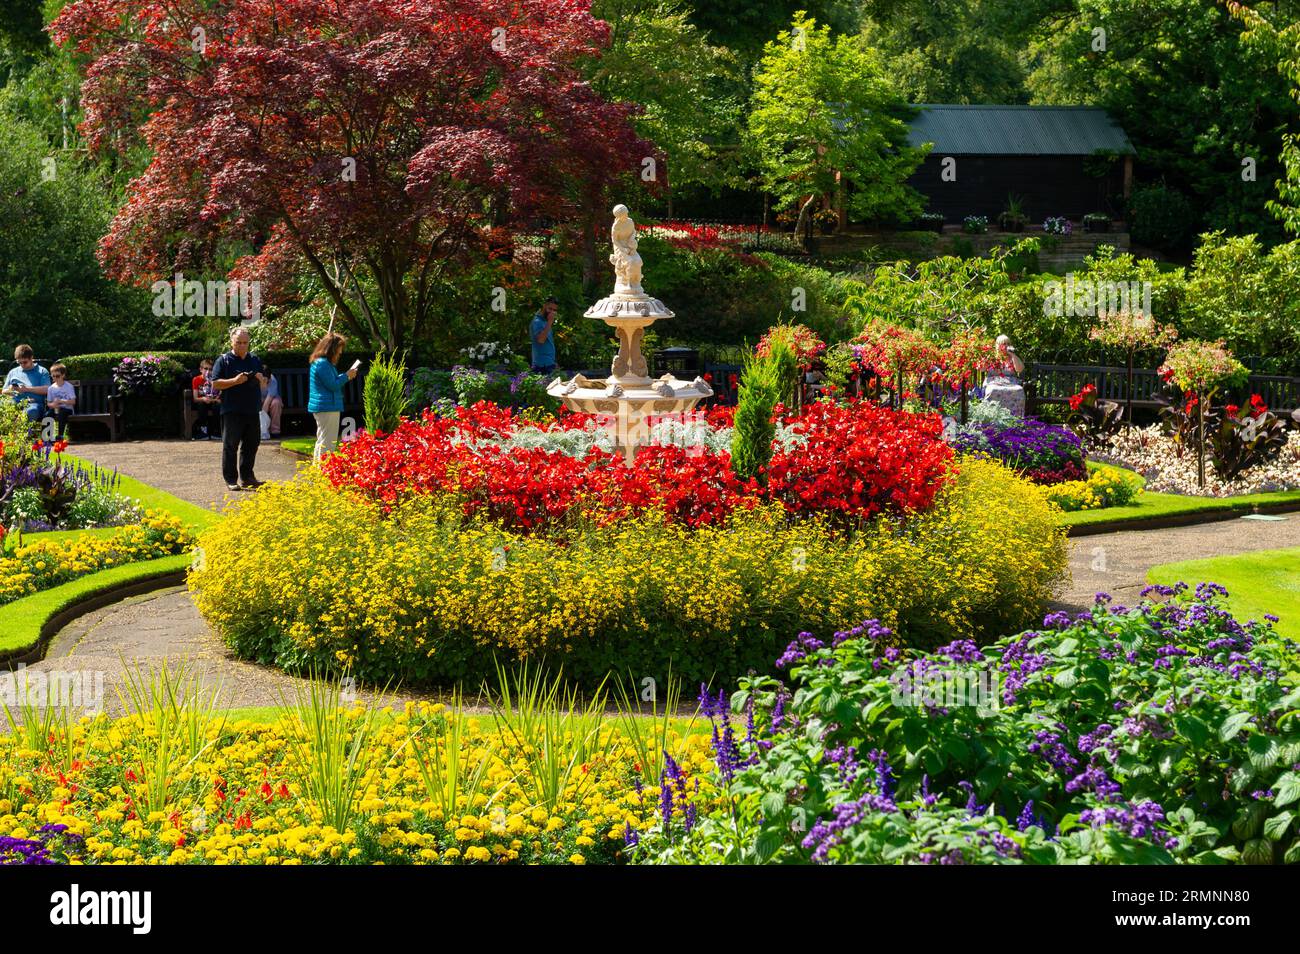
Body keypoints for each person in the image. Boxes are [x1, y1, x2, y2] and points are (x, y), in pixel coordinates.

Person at [210, 326, 267, 491]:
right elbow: (215, 383)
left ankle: (248, 478)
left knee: (252, 444)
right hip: (232, 409)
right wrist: (234, 381)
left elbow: (263, 386)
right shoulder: (223, 360)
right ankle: (231, 480)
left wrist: (261, 379)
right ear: (231, 342)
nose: (242, 345)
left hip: (252, 409)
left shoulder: (254, 359)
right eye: (238, 342)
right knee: (230, 446)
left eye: (245, 342)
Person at [307, 332, 358, 462]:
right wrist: (347, 376)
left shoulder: (321, 362)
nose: (340, 352)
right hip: (327, 406)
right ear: (332, 348)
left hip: (324, 406)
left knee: (322, 440)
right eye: (339, 348)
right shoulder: (323, 364)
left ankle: (317, 469)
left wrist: (346, 376)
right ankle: (323, 469)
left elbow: (331, 381)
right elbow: (333, 385)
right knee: (328, 442)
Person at [4, 344, 51, 426]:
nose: (22, 365)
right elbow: (4, 391)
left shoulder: (42, 371)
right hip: (14, 403)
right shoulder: (13, 372)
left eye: (25, 362)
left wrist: (27, 389)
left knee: (31, 411)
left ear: (31, 358)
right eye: (19, 362)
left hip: (34, 404)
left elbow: (47, 389)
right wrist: (11, 389)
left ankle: (20, 431)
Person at [983, 334, 1026, 417]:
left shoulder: (1012, 357)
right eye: (1003, 344)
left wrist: (1013, 355)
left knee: (1019, 390)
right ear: (998, 345)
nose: (1006, 346)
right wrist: (987, 358)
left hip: (1010, 383)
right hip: (993, 382)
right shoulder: (992, 356)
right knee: (993, 390)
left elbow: (1019, 369)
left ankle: (1016, 417)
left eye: (1008, 344)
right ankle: (990, 416)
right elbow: (982, 369)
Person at [190, 358, 221, 440]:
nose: (208, 371)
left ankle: (216, 431)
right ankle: (203, 432)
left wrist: (213, 400)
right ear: (201, 369)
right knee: (201, 404)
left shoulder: (215, 380)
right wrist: (203, 399)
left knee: (217, 406)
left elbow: (218, 396)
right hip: (202, 402)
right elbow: (195, 398)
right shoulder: (196, 379)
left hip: (213, 402)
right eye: (206, 368)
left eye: (210, 369)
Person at [45, 364, 76, 441]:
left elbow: (73, 401)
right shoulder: (51, 388)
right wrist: (53, 405)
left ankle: (60, 436)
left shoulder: (69, 386)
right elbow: (48, 403)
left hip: (67, 409)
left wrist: (61, 401)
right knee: (47, 415)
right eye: (53, 376)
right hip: (55, 409)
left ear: (63, 375)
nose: (55, 378)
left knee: (62, 414)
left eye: (57, 376)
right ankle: (49, 437)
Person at [530, 297, 558, 375]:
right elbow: (541, 340)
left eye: (554, 310)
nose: (552, 312)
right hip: (541, 366)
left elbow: (548, 343)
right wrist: (550, 322)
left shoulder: (545, 321)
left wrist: (553, 362)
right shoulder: (537, 321)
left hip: (549, 364)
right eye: (550, 309)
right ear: (544, 306)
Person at [261, 372, 282, 439]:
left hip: (271, 398)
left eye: (266, 380)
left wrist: (263, 416)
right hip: (258, 399)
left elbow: (268, 401)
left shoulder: (273, 380)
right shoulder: (254, 378)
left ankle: (275, 431)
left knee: (276, 403)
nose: (264, 383)